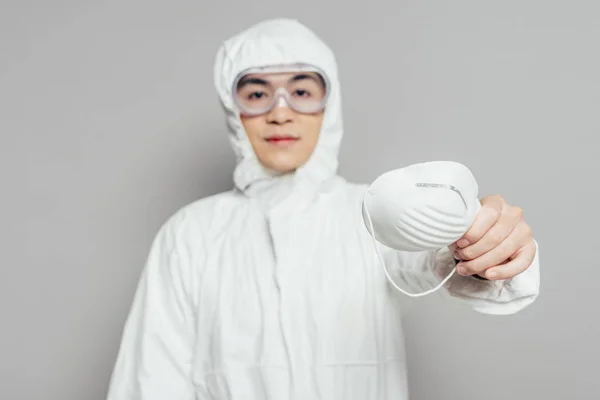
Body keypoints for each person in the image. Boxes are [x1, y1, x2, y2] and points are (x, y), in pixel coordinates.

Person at [106, 18, 540, 400]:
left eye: (301, 90)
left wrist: (479, 241)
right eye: (257, 92)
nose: (281, 113)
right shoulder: (191, 234)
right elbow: (151, 380)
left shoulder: (372, 212)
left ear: (328, 104)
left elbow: (438, 260)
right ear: (233, 108)